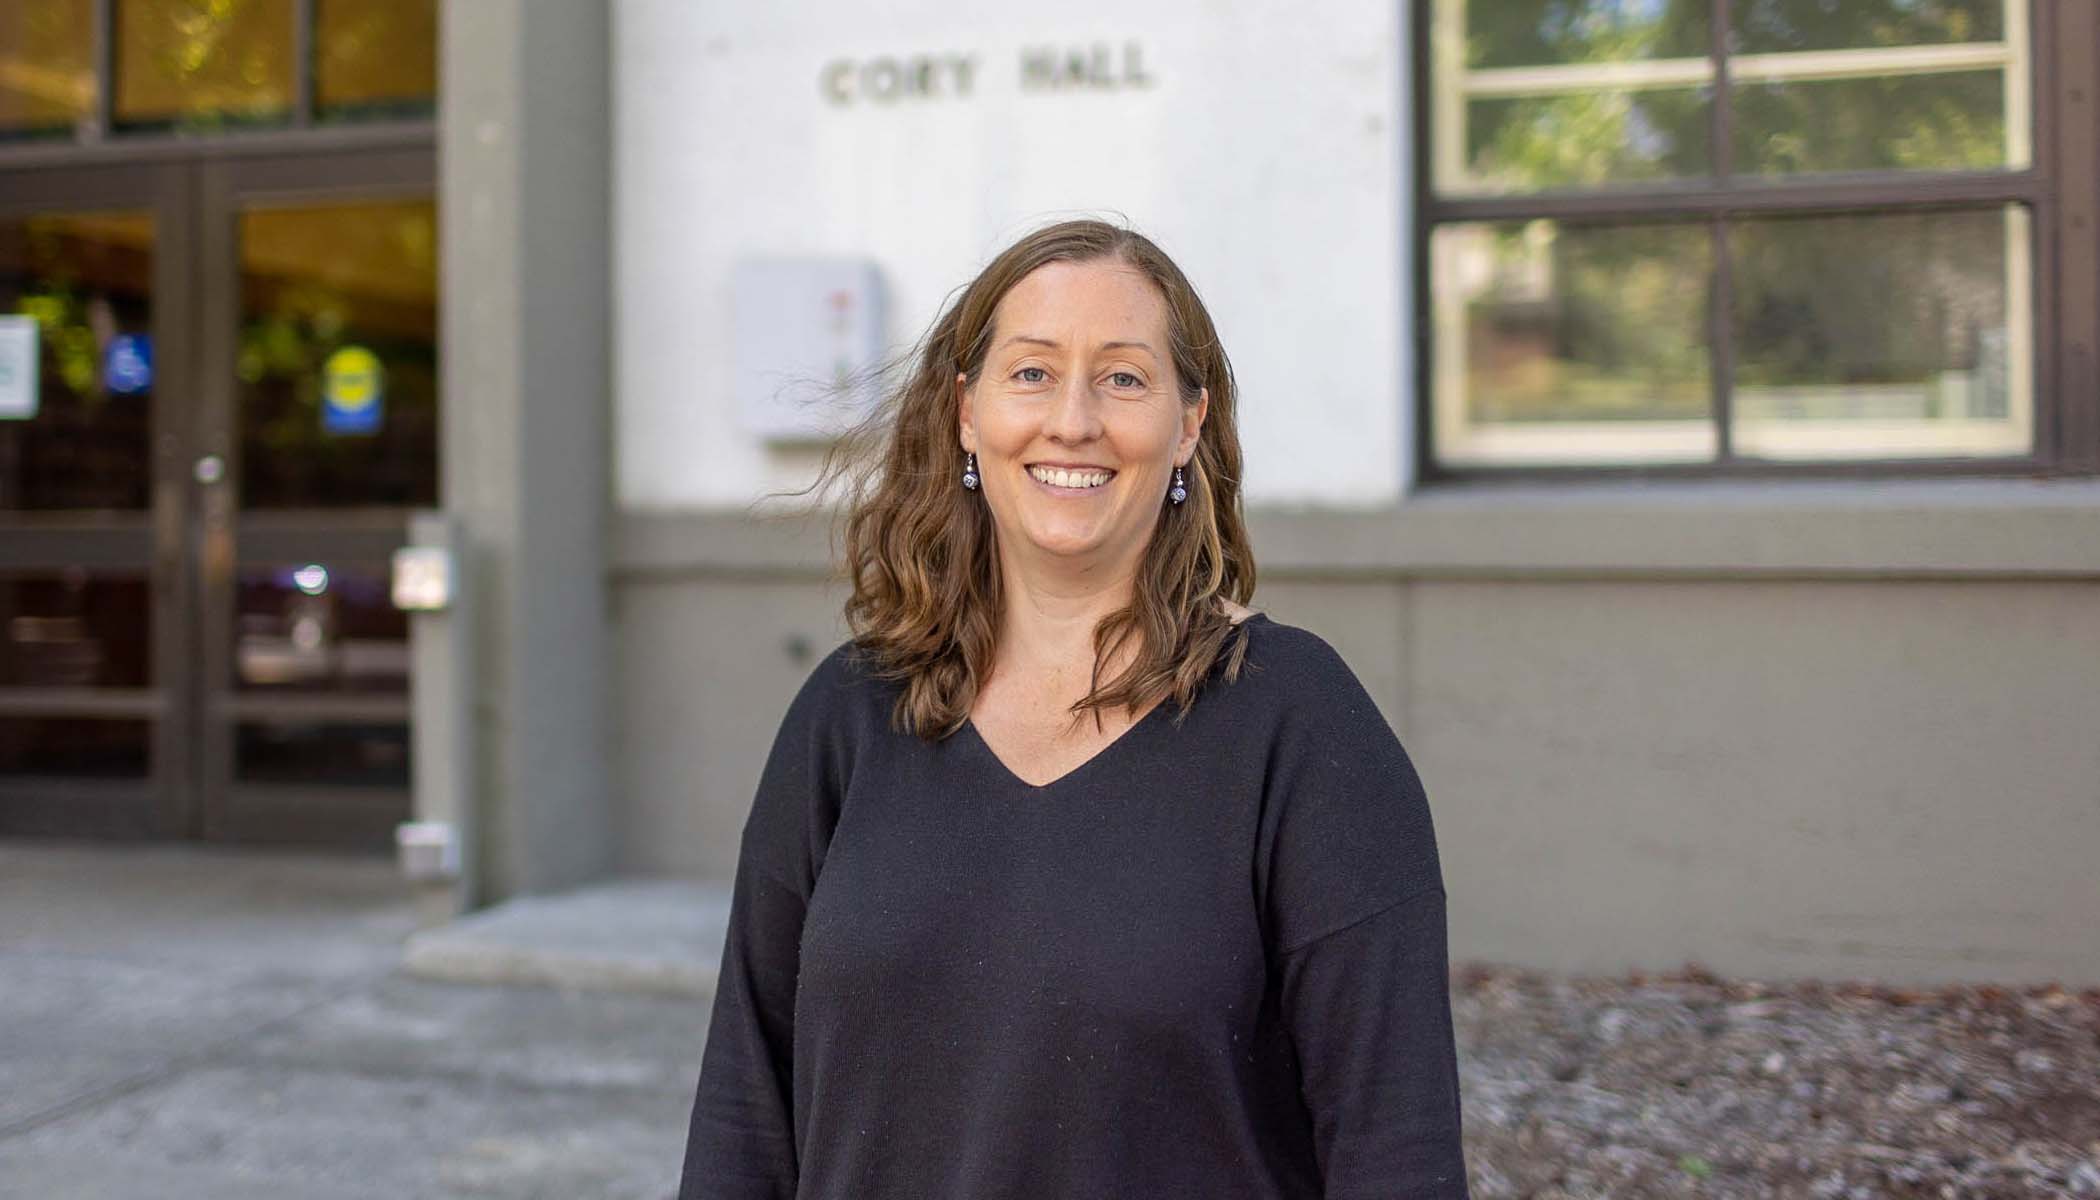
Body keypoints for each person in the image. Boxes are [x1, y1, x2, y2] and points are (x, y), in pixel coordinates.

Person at [678, 219, 1469, 1198]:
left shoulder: (1301, 730)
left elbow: (1398, 1154)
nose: (1074, 420)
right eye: (1032, 372)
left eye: (1125, 378)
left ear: (1188, 425)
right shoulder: (849, 715)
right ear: (967, 412)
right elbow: (744, 1114)